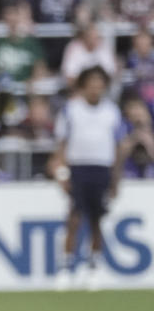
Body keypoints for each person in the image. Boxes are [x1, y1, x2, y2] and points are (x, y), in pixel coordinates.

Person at [52, 66, 124, 290]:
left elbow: (118, 146)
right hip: (78, 168)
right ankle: (66, 267)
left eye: (99, 82)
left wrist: (115, 178)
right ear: (83, 85)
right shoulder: (71, 110)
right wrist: (61, 173)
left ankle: (93, 267)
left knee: (96, 221)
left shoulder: (111, 111)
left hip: (101, 168)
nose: (95, 87)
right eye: (91, 82)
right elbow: (62, 145)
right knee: (74, 218)